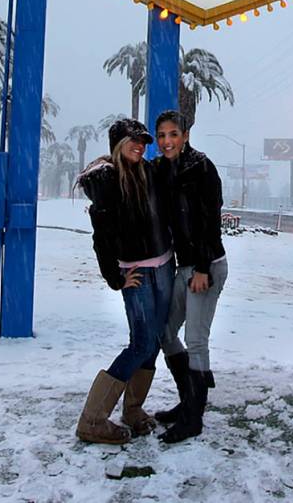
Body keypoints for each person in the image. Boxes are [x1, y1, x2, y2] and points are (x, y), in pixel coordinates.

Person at [75, 118, 174, 444]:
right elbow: (101, 238)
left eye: (144, 141)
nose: (141, 146)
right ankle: (92, 420)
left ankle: (132, 409)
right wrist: (116, 277)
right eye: (134, 140)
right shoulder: (107, 181)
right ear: (118, 143)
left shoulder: (147, 173)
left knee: (155, 341)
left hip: (163, 267)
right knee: (141, 344)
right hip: (138, 274)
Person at [152, 110, 227, 444]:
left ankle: (193, 418)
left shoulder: (202, 168)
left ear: (184, 135)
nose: (167, 141)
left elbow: (210, 220)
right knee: (167, 332)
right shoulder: (163, 170)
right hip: (183, 266)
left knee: (196, 339)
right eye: (161, 136)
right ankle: (188, 401)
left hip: (205, 265)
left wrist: (201, 268)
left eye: (173, 134)